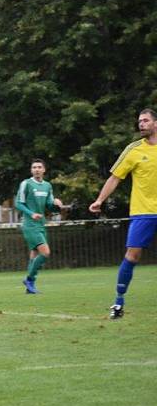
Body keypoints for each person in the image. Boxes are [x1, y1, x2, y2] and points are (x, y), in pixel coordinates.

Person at [89, 108, 157, 319]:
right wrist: (100, 200)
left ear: (155, 123)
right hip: (143, 211)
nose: (141, 124)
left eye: (145, 121)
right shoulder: (133, 149)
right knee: (132, 255)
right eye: (139, 121)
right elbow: (115, 178)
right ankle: (118, 302)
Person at [15, 159, 65, 294]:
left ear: (44, 170)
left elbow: (49, 205)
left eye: (39, 167)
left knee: (34, 253)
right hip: (29, 224)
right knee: (45, 252)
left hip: (41, 224)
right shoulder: (26, 184)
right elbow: (18, 203)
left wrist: (57, 205)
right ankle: (29, 279)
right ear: (31, 170)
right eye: (34, 167)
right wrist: (31, 214)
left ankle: (30, 288)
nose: (36, 169)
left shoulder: (47, 186)